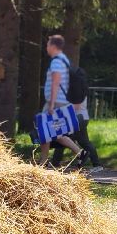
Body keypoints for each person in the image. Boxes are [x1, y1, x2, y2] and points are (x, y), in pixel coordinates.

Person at [35, 34, 82, 168]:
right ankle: (45, 161)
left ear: (53, 46)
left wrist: (51, 104)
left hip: (55, 102)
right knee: (51, 132)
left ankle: (44, 161)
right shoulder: (64, 60)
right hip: (60, 101)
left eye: (48, 45)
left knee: (47, 130)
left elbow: (55, 83)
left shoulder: (56, 62)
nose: (46, 47)